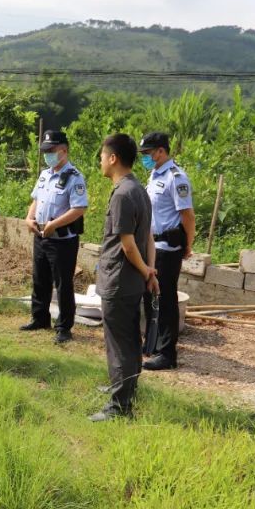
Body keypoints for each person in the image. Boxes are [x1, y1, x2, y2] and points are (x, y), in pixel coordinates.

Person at [90, 133, 158, 422]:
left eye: (103, 157)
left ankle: (119, 407)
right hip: (132, 281)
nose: (101, 162)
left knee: (119, 344)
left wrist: (145, 271)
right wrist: (150, 272)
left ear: (113, 158)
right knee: (129, 341)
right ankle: (125, 390)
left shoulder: (122, 194)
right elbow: (149, 239)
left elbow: (129, 245)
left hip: (119, 280)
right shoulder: (139, 190)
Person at [20, 130, 89, 344]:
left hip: (62, 240)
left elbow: (79, 208)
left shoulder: (74, 177)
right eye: (45, 151)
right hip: (41, 235)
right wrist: (29, 218)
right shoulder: (44, 174)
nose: (47, 155)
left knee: (63, 284)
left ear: (64, 150)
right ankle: (40, 317)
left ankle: (64, 327)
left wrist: (54, 225)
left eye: (51, 151)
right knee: (39, 278)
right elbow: (36, 200)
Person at [139, 132, 195, 371]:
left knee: (165, 300)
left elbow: (188, 216)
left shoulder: (176, 178)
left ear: (161, 151)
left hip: (167, 249)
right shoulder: (154, 175)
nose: (145, 158)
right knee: (149, 298)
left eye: (148, 153)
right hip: (151, 247)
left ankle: (167, 354)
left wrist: (188, 246)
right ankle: (151, 344)